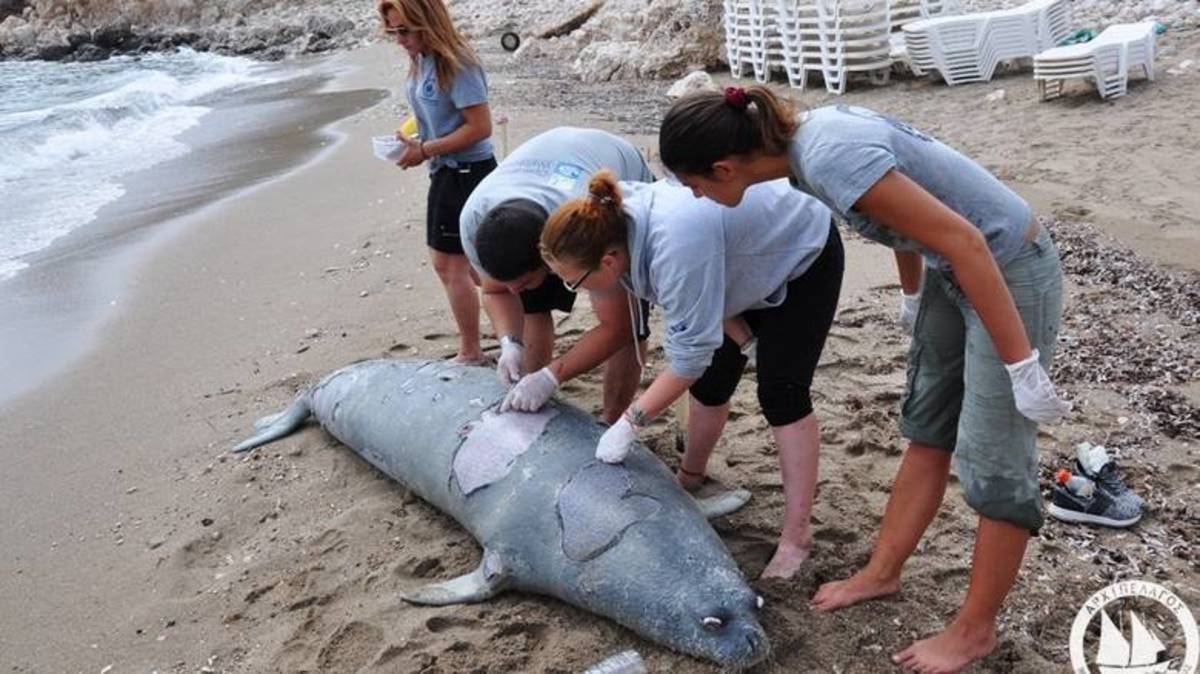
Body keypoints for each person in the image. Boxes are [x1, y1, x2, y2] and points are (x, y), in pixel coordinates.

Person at [658, 86, 1070, 673]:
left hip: (1005, 271)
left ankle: (974, 630)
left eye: (693, 183)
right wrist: (911, 294)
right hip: (954, 271)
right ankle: (882, 573)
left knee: (996, 459)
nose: (694, 196)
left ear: (724, 167)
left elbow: (966, 238)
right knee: (927, 425)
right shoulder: (801, 157)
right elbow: (905, 218)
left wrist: (1019, 364)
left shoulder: (828, 156)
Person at [537, 173, 843, 580]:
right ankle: (690, 479)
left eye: (572, 281)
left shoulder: (674, 249)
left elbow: (687, 358)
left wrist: (631, 421)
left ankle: (796, 538)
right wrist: (744, 337)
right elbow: (706, 296)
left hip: (799, 254)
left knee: (781, 393)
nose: (569, 288)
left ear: (608, 261)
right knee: (712, 382)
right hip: (733, 257)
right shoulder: (605, 221)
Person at [459, 127, 656, 423]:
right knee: (532, 305)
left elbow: (619, 327)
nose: (514, 290)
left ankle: (612, 417)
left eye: (523, 281)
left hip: (610, 169)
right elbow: (495, 291)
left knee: (629, 325)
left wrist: (553, 376)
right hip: (539, 182)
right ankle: (528, 395)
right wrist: (509, 342)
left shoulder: (587, 227)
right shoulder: (474, 220)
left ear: (550, 259)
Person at [379, 0, 496, 364]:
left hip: (465, 172)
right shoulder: (423, 58)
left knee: (453, 265)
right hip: (447, 170)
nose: (399, 40)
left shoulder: (456, 62)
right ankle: (509, 332)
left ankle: (472, 350)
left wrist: (425, 149)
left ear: (426, 23)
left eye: (404, 31)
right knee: (474, 266)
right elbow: (435, 109)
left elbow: (480, 127)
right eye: (392, 32)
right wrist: (411, 135)